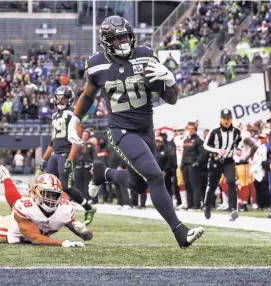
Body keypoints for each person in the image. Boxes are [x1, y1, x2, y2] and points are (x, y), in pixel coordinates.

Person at [67, 15, 203, 248]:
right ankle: (180, 231)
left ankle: (104, 174)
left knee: (139, 185)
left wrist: (169, 80)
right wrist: (75, 119)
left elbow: (171, 99)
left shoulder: (145, 55)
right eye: (117, 38)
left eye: (125, 36)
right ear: (107, 42)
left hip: (146, 129)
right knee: (155, 176)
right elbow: (88, 95)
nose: (123, 41)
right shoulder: (97, 64)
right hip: (121, 129)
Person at [0, 163, 92, 247]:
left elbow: (87, 238)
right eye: (47, 194)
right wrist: (63, 243)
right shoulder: (26, 207)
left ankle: (6, 177)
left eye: (55, 195)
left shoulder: (65, 210)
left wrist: (85, 232)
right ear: (36, 193)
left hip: (26, 223)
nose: (51, 199)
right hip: (5, 231)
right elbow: (35, 238)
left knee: (17, 204)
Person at [39, 86, 96, 225]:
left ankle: (88, 208)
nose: (60, 100)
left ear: (69, 99)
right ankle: (49, 215)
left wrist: (70, 159)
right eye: (58, 97)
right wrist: (43, 159)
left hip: (66, 152)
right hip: (55, 153)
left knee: (66, 187)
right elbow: (52, 141)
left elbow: (77, 137)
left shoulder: (72, 114)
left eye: (64, 97)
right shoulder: (54, 115)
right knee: (48, 186)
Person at [203, 109, 242, 221]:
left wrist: (238, 149)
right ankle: (207, 205)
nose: (226, 121)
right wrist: (217, 150)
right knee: (212, 185)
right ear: (220, 119)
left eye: (228, 119)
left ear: (231, 119)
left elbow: (239, 142)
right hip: (215, 160)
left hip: (228, 160)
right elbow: (205, 145)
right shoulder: (214, 131)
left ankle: (232, 209)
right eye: (224, 118)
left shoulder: (236, 131)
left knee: (231, 182)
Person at [181, 122, 207, 210]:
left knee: (195, 186)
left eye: (192, 129)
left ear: (195, 129)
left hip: (193, 166)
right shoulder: (186, 140)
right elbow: (184, 153)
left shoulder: (198, 140)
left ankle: (196, 205)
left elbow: (204, 153)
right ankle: (190, 204)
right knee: (187, 185)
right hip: (185, 165)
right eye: (189, 129)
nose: (190, 130)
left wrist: (197, 162)